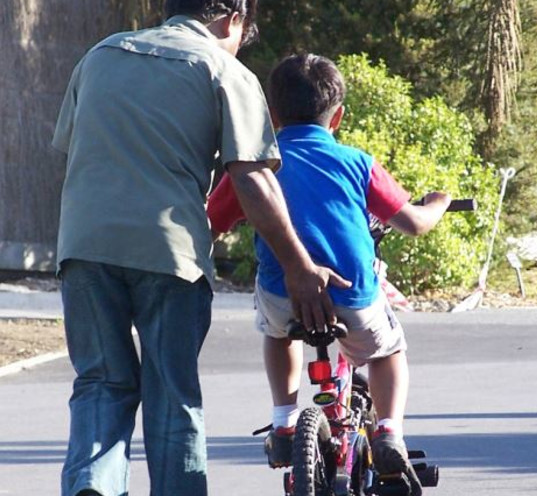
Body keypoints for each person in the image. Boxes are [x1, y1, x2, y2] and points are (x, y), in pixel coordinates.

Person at [51, 2, 349, 495]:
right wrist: (299, 265)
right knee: (172, 392)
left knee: (101, 383)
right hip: (170, 254)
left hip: (84, 246)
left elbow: (75, 149)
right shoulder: (222, 69)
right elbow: (252, 179)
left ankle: (93, 486)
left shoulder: (99, 56)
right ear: (232, 17)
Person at [207, 53, 451, 488]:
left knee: (277, 332)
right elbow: (412, 223)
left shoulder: (254, 166)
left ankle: (284, 421)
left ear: (273, 113)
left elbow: (212, 222)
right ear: (337, 116)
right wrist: (438, 203)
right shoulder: (357, 162)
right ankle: (389, 430)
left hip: (284, 288)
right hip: (351, 292)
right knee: (388, 351)